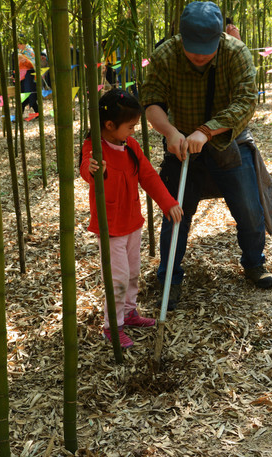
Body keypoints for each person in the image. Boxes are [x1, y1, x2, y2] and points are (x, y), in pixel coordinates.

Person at [140, 1, 272, 311]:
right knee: (175, 213)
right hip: (180, 145)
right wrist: (170, 132)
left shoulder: (236, 53)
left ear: (219, 37)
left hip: (226, 140)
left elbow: (245, 103)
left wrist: (207, 131)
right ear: (180, 36)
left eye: (207, 47)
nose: (200, 55)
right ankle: (170, 278)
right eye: (193, 48)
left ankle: (254, 263)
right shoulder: (165, 55)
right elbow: (151, 101)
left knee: (248, 207)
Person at [80, 89, 183, 348]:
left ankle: (129, 312)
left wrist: (168, 203)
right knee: (118, 278)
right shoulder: (94, 147)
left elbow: (148, 176)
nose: (134, 132)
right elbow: (86, 171)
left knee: (133, 272)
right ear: (109, 125)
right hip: (111, 226)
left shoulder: (131, 146)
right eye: (131, 126)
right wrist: (94, 169)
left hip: (133, 222)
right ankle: (112, 326)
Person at [17, 38, 39, 114]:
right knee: (23, 95)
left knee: (28, 94)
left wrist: (26, 61)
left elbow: (33, 63)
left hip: (29, 75)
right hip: (21, 75)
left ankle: (19, 114)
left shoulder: (29, 50)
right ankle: (37, 112)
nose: (18, 46)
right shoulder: (19, 51)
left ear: (23, 44)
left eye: (19, 44)